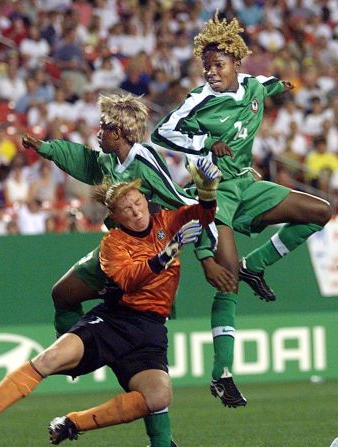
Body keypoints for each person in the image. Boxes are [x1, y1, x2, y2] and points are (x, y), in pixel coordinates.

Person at [0, 159, 220, 446]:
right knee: (49, 359)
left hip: (150, 331)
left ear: (145, 200)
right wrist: (169, 251)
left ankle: (72, 423)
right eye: (127, 208)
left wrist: (208, 193)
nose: (136, 211)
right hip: (114, 321)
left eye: (138, 202)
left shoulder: (166, 220)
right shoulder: (113, 244)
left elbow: (203, 215)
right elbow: (129, 279)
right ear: (114, 216)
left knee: (158, 397)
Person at [151, 13, 332, 407]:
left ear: (237, 63)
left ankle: (258, 263)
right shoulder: (200, 100)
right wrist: (203, 144)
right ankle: (222, 374)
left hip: (250, 185)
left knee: (321, 211)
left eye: (218, 65)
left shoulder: (253, 87)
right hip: (218, 193)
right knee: (227, 279)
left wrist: (284, 85)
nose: (211, 72)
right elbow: (162, 131)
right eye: (207, 66)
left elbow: (268, 86)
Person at [21, 92, 219, 447]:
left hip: (147, 259)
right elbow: (84, 162)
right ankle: (73, 354)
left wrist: (202, 243)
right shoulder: (111, 162)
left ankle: (160, 439)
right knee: (63, 294)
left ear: (121, 131)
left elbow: (177, 199)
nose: (99, 132)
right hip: (117, 252)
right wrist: (47, 148)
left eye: (105, 127)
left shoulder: (143, 159)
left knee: (140, 364)